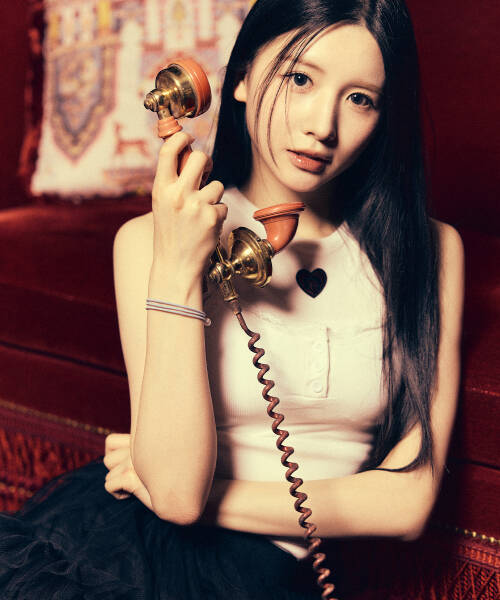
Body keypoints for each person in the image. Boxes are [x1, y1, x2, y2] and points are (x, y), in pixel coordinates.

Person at [0, 0, 464, 598]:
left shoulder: (429, 251)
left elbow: (407, 502)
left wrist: (207, 496)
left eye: (359, 99)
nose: (322, 125)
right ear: (242, 78)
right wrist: (176, 266)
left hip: (253, 574)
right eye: (300, 79)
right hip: (125, 545)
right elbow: (174, 492)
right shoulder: (146, 241)